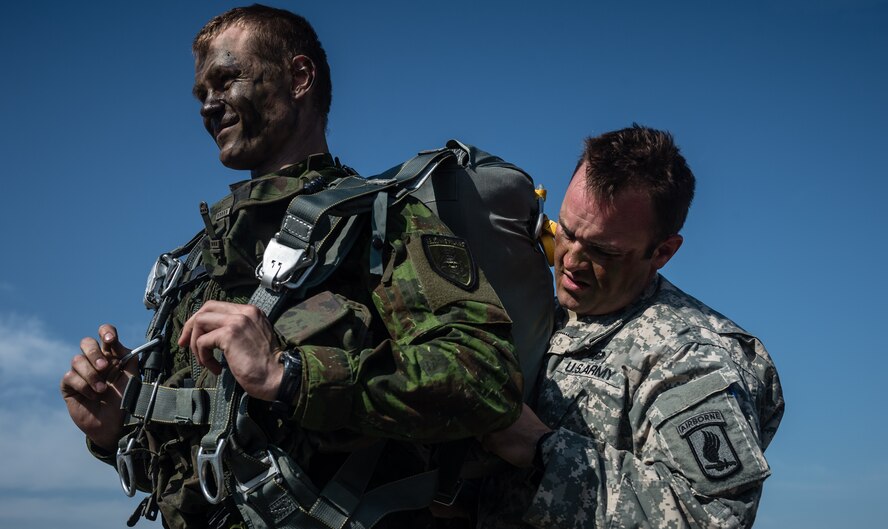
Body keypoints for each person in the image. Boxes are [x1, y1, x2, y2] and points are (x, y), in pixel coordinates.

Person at [59, 5, 522, 529]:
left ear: (299, 78)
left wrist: (292, 376)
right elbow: (207, 471)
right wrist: (115, 428)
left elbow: (487, 380)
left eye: (226, 79)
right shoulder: (195, 266)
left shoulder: (378, 222)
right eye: (201, 94)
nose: (210, 105)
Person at [479, 125, 784, 528]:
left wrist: (538, 448)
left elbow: (709, 517)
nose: (570, 261)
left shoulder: (692, 356)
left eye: (604, 251)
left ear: (662, 252)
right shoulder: (538, 310)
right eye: (567, 232)